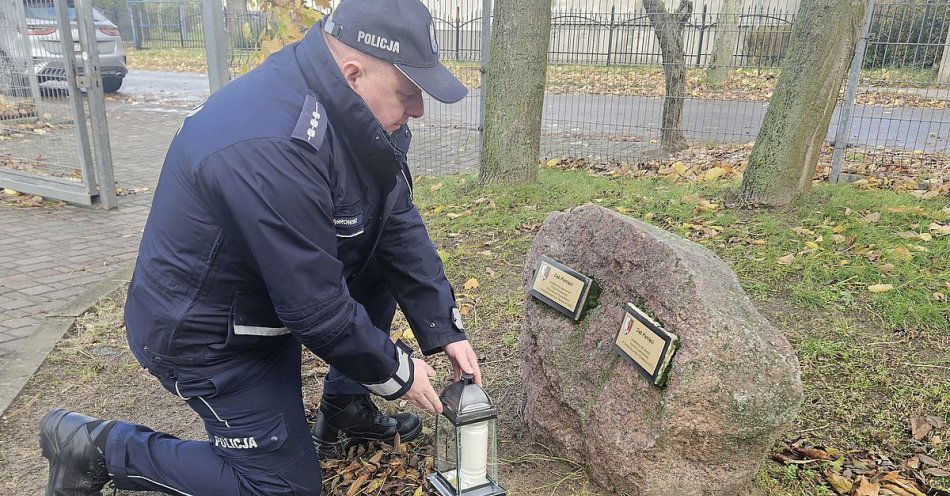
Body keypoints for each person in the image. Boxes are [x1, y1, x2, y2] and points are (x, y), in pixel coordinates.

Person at [38, 0, 482, 494]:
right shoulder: (271, 144)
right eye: (408, 92)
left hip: (265, 302)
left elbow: (394, 218)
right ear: (354, 74)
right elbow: (317, 309)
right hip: (211, 335)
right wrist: (396, 373)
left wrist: (444, 325)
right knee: (282, 488)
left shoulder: (356, 113)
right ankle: (98, 447)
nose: (418, 108)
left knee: (375, 247)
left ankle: (345, 409)